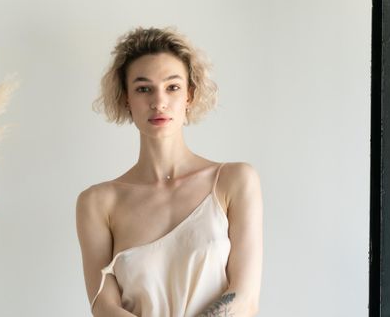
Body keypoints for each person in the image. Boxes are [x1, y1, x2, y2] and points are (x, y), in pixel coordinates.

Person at [76, 26, 263, 317]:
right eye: (143, 88)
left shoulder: (234, 181)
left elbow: (244, 298)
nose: (158, 101)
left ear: (190, 94)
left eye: (172, 87)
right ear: (126, 97)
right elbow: (103, 307)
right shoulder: (98, 202)